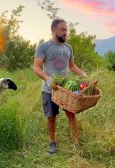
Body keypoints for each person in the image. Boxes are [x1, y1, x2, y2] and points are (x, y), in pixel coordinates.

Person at [33, 19, 87, 154]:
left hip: (67, 90)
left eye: (66, 30)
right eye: (63, 30)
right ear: (54, 30)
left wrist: (83, 75)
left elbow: (71, 66)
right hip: (50, 89)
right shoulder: (44, 47)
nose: (65, 33)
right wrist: (47, 79)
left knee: (71, 114)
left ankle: (76, 142)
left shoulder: (68, 48)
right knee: (51, 117)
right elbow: (36, 67)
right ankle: (52, 142)